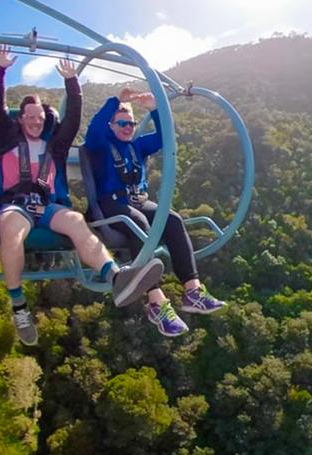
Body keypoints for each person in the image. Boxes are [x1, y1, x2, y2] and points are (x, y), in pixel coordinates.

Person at [0, 45, 165, 346]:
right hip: (15, 205)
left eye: (40, 117)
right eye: (29, 116)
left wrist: (71, 82)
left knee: (76, 223)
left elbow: (72, 120)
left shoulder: (54, 145)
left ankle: (115, 277)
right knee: (12, 232)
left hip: (47, 206)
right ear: (20, 119)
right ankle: (18, 305)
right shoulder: (7, 137)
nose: (35, 121)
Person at [84, 87, 227, 336]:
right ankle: (156, 301)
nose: (128, 127)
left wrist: (154, 109)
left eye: (131, 123)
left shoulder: (136, 146)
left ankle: (192, 290)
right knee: (138, 223)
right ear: (111, 124)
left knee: (171, 219)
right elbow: (94, 128)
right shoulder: (100, 144)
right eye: (122, 123)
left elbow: (166, 137)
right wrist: (117, 100)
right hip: (111, 203)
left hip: (137, 201)